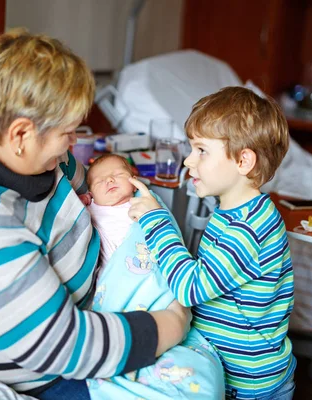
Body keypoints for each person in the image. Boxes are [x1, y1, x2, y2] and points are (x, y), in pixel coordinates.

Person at [0, 29, 190, 400]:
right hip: (49, 363)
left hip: (98, 295)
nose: (73, 143)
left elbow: (71, 175)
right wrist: (171, 324)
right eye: (66, 132)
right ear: (20, 135)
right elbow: (66, 346)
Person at [128, 86, 297, 400]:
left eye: (201, 151)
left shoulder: (247, 230)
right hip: (244, 369)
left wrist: (156, 219)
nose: (189, 162)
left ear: (244, 161)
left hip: (247, 383)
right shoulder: (235, 210)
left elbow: (190, 288)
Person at [83, 154, 226, 400]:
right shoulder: (92, 210)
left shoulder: (148, 202)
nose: (109, 181)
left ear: (134, 179)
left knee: (203, 377)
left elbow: (168, 239)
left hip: (157, 288)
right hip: (118, 289)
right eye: (99, 181)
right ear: (91, 194)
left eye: (117, 174)